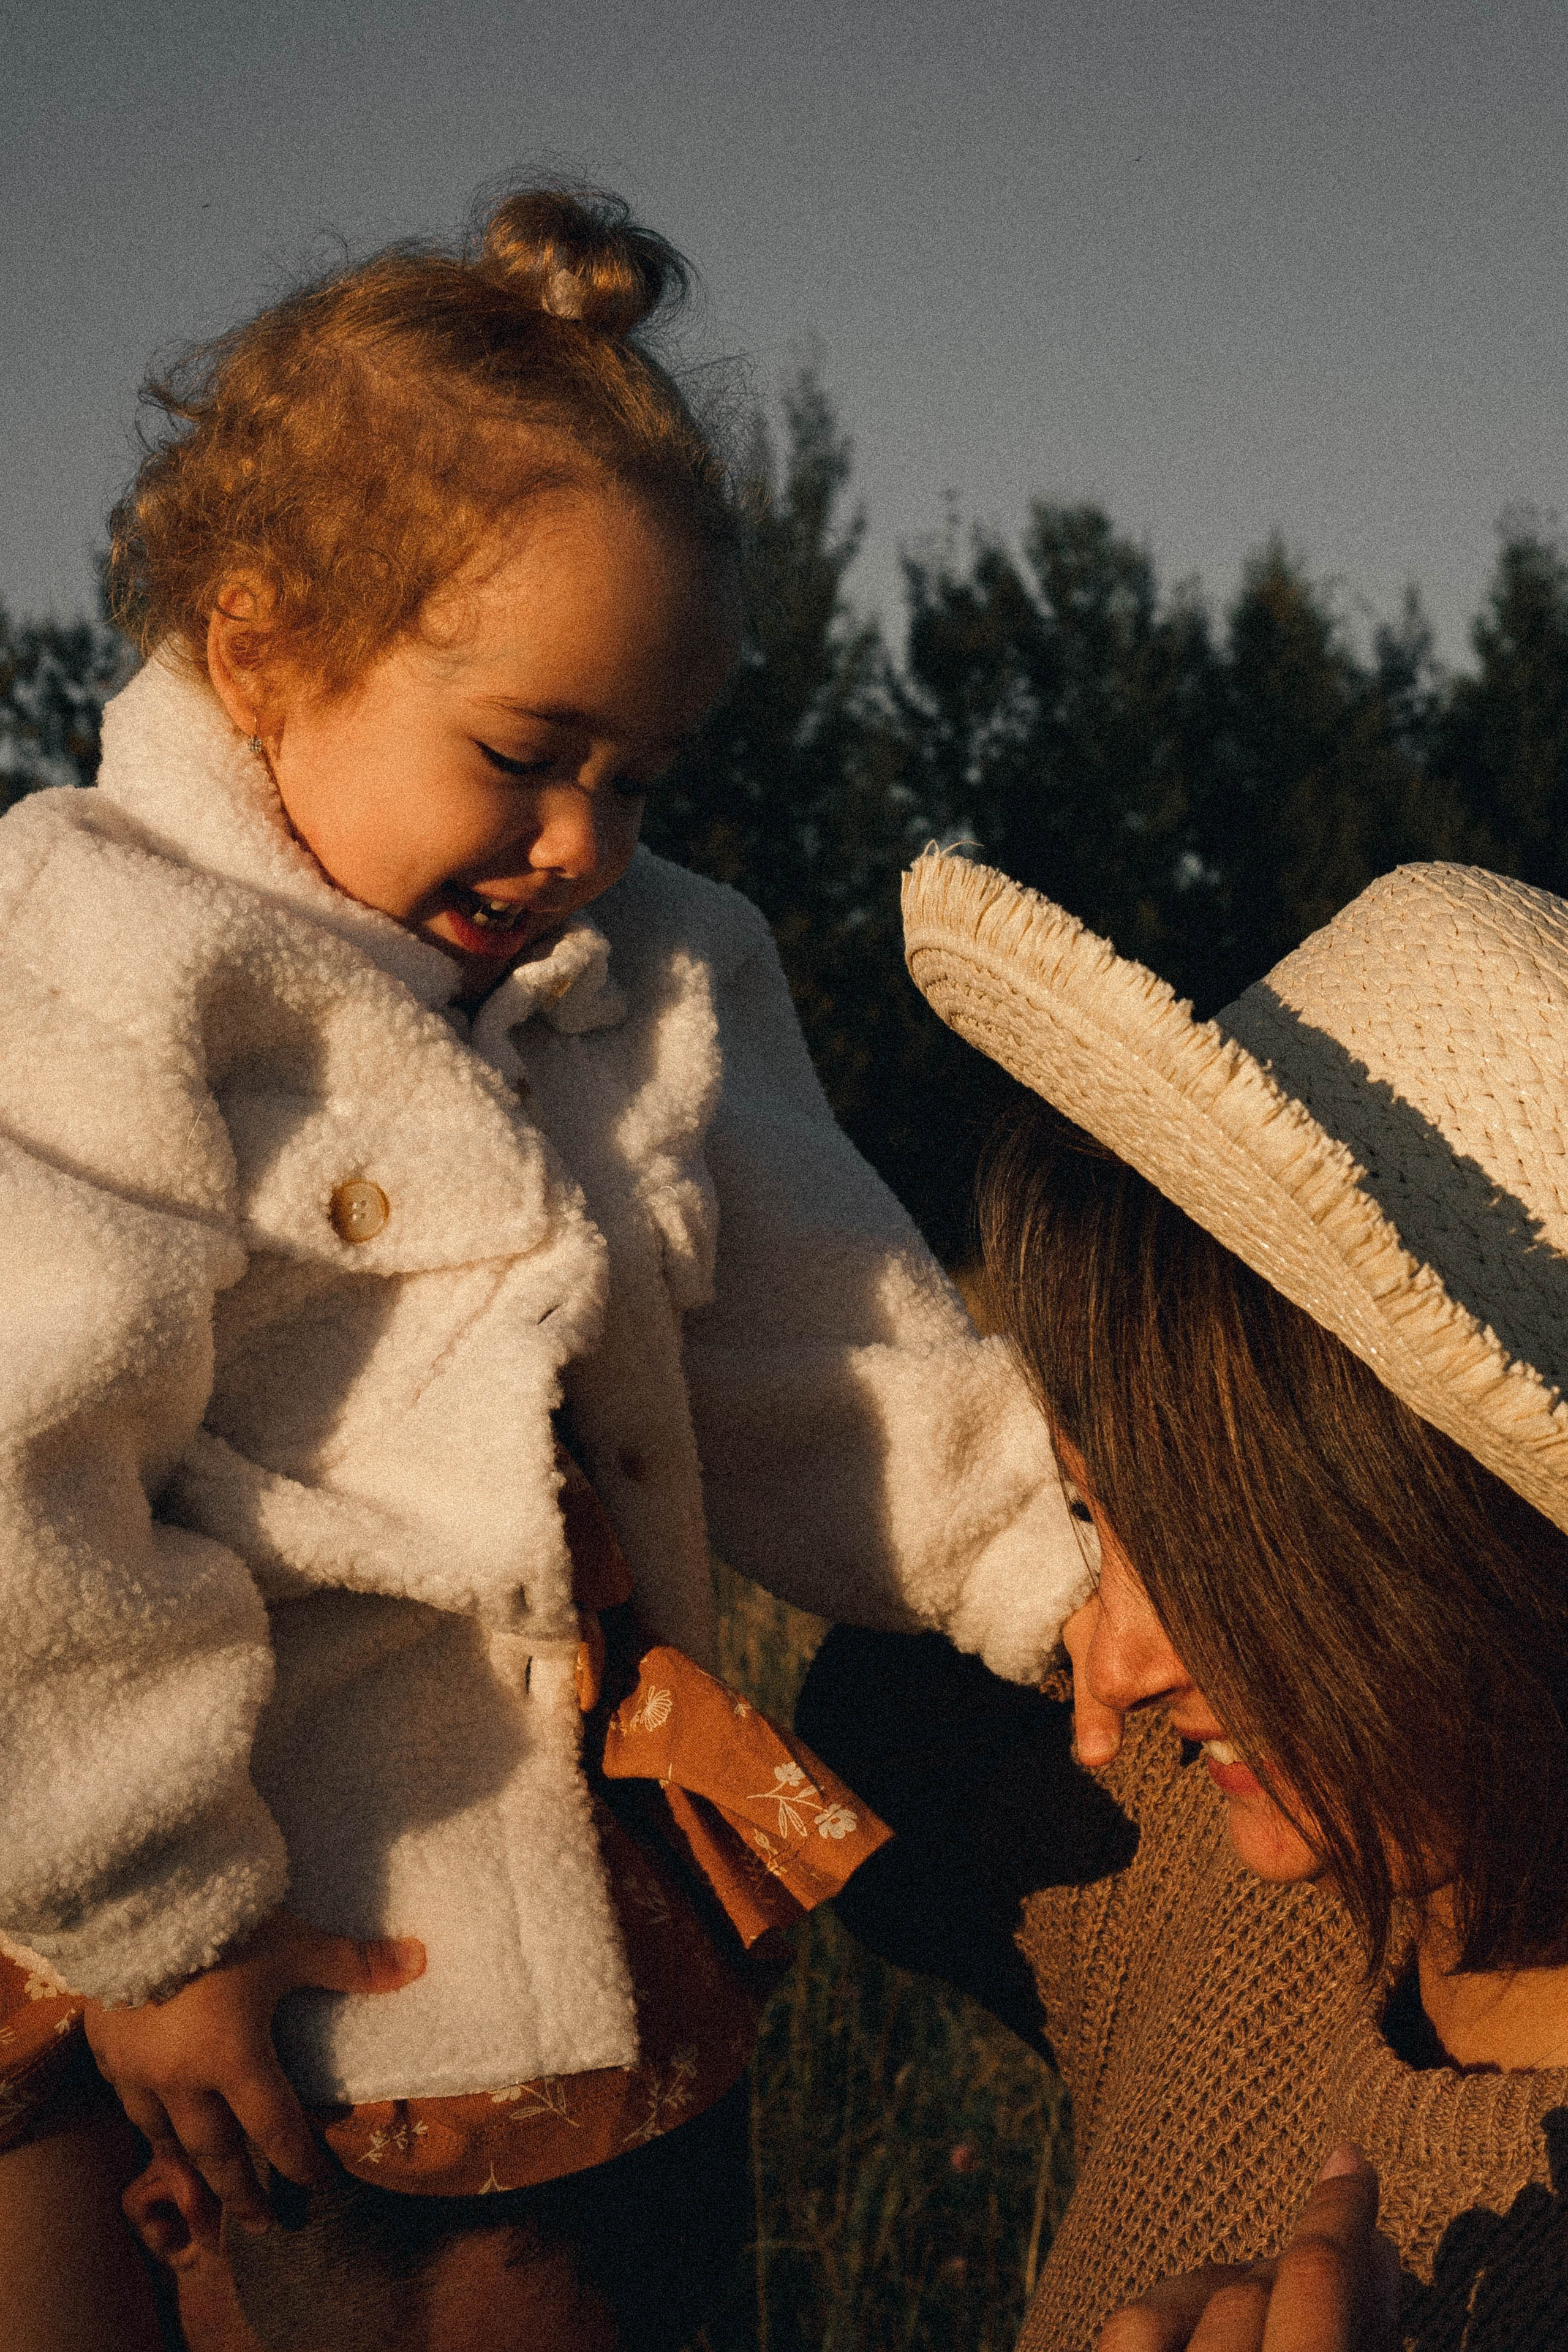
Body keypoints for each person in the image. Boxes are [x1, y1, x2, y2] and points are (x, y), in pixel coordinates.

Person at [0, 195, 1088, 2351]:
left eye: (640, 777)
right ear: (263, 651)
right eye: (523, 756)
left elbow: (835, 1350)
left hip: (514, 1909)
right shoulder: (102, 952)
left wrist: (1059, 1570)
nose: (582, 840)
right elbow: (30, 1467)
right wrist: (151, 1914)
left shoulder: (661, 969)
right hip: (125, 1863)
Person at [799, 850, 1568, 2350]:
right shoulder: (1206, 1875)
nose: (1112, 1662)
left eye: (1226, 1562)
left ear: (1473, 1552)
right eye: (1090, 1519)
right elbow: (850, 1705)